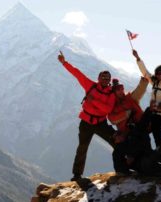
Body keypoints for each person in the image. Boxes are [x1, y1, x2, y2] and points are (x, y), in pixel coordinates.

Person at [58, 51, 116, 181]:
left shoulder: (110, 93)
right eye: (104, 78)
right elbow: (77, 73)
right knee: (82, 147)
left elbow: (107, 109)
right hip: (86, 122)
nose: (106, 80)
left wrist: (93, 100)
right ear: (99, 78)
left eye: (108, 79)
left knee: (115, 141)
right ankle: (77, 175)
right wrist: (64, 63)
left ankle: (123, 167)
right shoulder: (90, 85)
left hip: (100, 122)